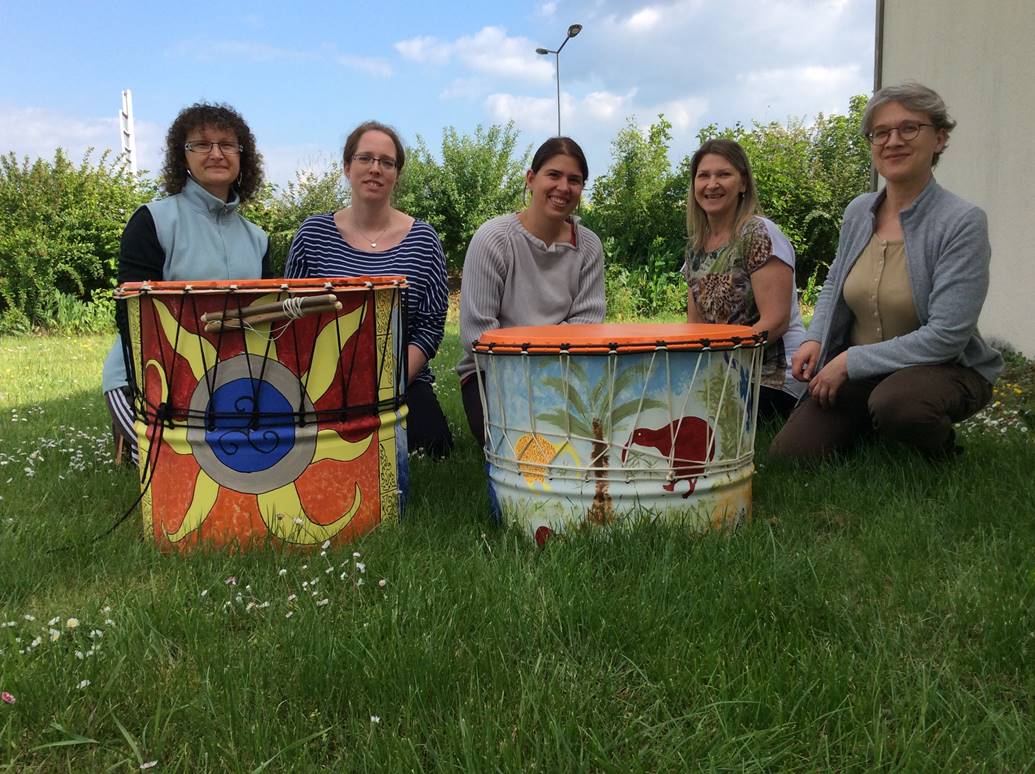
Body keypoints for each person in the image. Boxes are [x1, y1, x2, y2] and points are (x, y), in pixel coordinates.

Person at [769, 82, 1002, 462]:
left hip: (941, 368)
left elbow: (946, 337)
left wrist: (846, 361)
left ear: (939, 138)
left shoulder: (962, 222)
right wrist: (815, 339)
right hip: (866, 372)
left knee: (899, 404)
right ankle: (871, 427)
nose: (893, 140)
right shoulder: (859, 211)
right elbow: (834, 282)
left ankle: (941, 455)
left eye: (909, 128)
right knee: (790, 456)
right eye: (881, 132)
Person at [101, 102, 270, 464]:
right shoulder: (152, 220)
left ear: (243, 157)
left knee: (247, 460)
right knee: (180, 465)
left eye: (227, 144)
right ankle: (126, 434)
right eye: (201, 144)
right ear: (184, 156)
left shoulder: (259, 238)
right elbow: (130, 316)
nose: (216, 153)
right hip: (145, 378)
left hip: (230, 382)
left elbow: (265, 324)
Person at [285, 121, 453, 459]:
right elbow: (293, 319)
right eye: (365, 158)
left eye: (386, 162)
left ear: (396, 174)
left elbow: (431, 326)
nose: (375, 168)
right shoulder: (313, 234)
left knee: (433, 450)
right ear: (347, 167)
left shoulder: (423, 240)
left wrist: (388, 383)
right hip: (324, 380)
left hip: (403, 380)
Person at [457, 137, 605, 447]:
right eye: (553, 175)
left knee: (594, 441)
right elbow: (478, 333)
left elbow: (588, 323)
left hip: (566, 372)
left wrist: (550, 376)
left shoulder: (589, 246)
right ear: (531, 178)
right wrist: (531, 380)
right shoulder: (494, 239)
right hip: (492, 376)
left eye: (574, 180)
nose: (563, 187)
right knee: (528, 446)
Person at [683, 138, 806, 421]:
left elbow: (775, 322)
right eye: (703, 176)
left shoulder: (758, 234)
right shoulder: (695, 247)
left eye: (723, 174)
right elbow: (695, 328)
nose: (712, 184)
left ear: (743, 183)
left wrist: (722, 369)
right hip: (726, 371)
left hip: (773, 377)